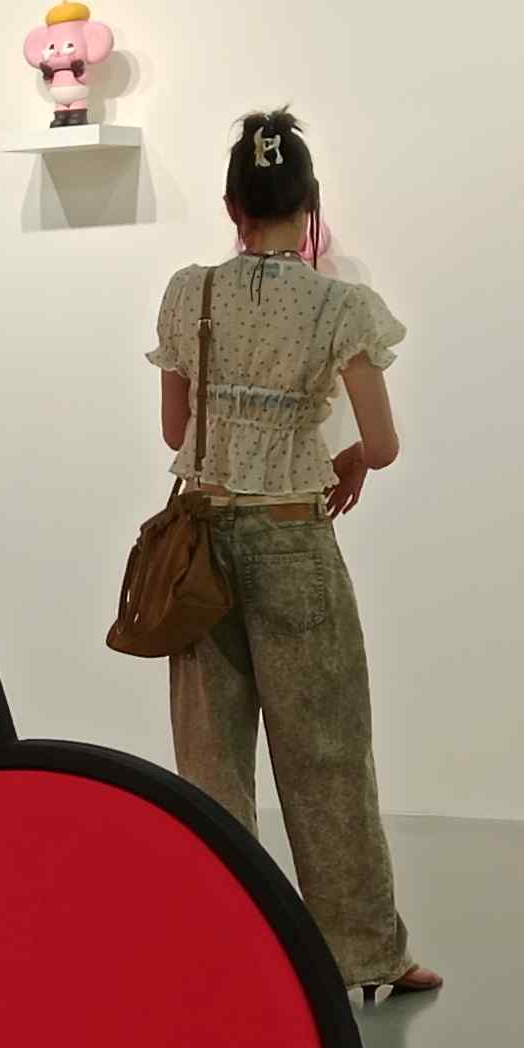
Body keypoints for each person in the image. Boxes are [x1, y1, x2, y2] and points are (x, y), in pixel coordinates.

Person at [148, 109, 435, 1002]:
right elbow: (380, 444)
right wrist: (350, 459)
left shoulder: (189, 293)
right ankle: (364, 956)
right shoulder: (340, 306)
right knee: (328, 755)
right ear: (309, 207)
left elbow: (175, 430)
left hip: (201, 542)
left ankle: (224, 945)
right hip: (293, 539)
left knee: (210, 762)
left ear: (232, 206)